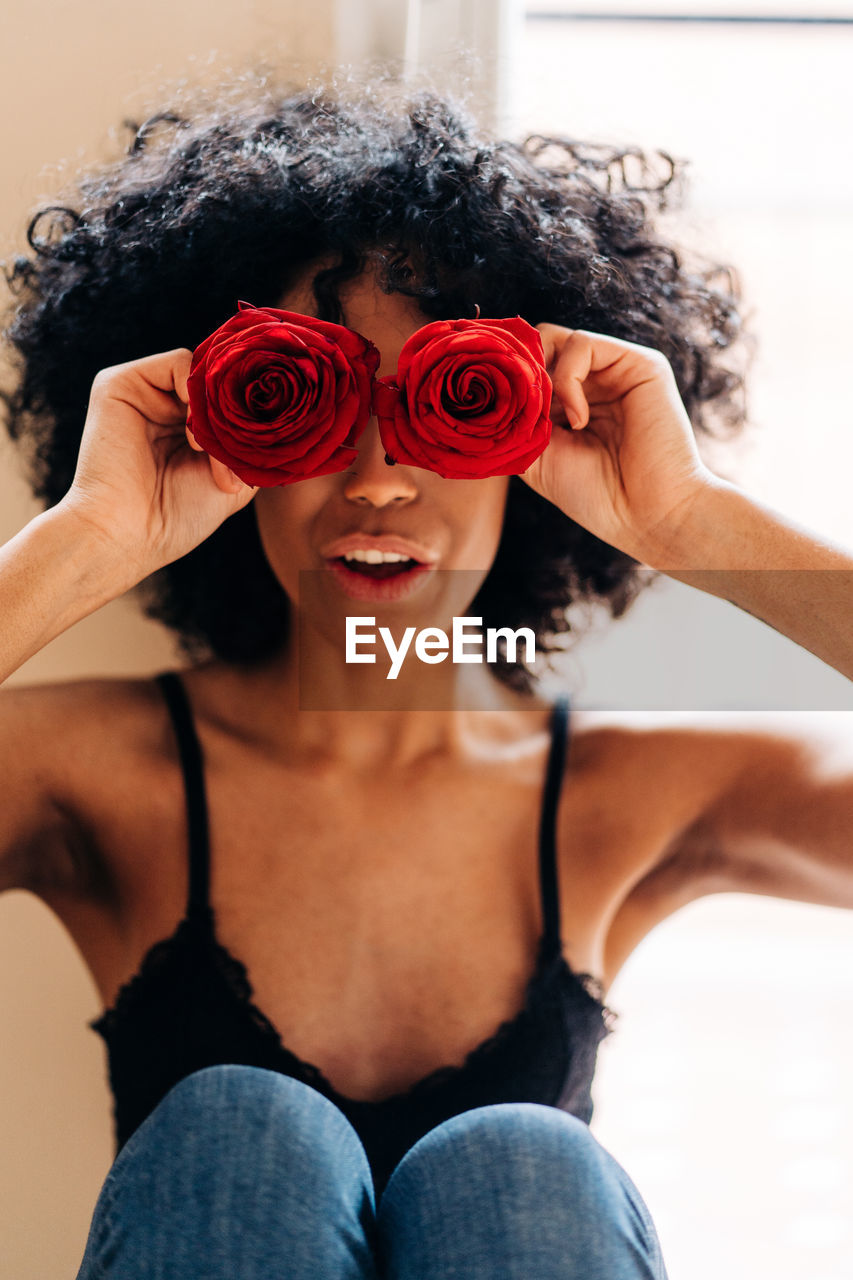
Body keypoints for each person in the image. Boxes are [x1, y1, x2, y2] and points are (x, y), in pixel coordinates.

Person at [1, 75, 851, 1280]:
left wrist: (695, 522)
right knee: (241, 1133)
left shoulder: (638, 792)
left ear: (536, 442)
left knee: (521, 1160)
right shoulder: (99, 775)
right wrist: (85, 537)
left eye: (448, 405)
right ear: (218, 425)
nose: (379, 479)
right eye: (311, 398)